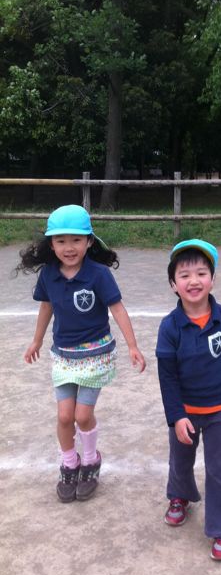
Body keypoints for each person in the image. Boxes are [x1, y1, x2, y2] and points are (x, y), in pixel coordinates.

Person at [17, 204, 146, 502]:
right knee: (65, 416)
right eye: (61, 241)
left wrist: (132, 345)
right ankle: (69, 463)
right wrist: (36, 340)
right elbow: (46, 307)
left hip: (95, 354)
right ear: (51, 245)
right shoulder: (49, 275)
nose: (69, 247)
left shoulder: (99, 274)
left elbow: (117, 309)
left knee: (82, 415)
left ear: (89, 241)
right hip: (64, 355)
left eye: (76, 240)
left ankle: (90, 460)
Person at [155, 238, 221, 561]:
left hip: (219, 410)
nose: (194, 281)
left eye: (201, 273)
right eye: (184, 275)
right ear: (173, 284)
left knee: (219, 469)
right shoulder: (169, 327)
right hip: (185, 411)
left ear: (213, 279)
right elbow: (167, 377)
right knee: (180, 460)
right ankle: (179, 496)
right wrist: (176, 416)